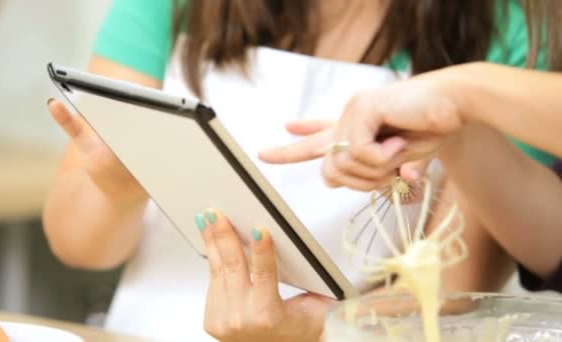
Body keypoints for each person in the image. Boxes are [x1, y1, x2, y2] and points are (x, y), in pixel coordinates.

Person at [43, 0, 551, 340]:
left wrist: (320, 327)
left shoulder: (506, 29)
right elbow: (77, 244)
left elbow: (452, 289)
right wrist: (120, 192)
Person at [259, 3, 562, 295]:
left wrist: (462, 98)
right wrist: (456, 115)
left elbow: (454, 281)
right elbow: (552, 245)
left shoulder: (507, 31)